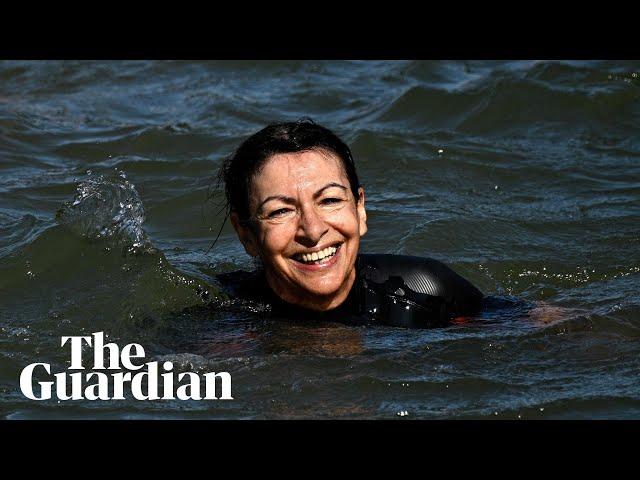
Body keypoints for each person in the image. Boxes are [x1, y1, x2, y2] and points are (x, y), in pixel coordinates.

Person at [214, 119, 484, 328]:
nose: (313, 229)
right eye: (281, 211)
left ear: (360, 209)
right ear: (245, 234)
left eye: (330, 200)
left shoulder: (427, 292)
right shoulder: (225, 324)